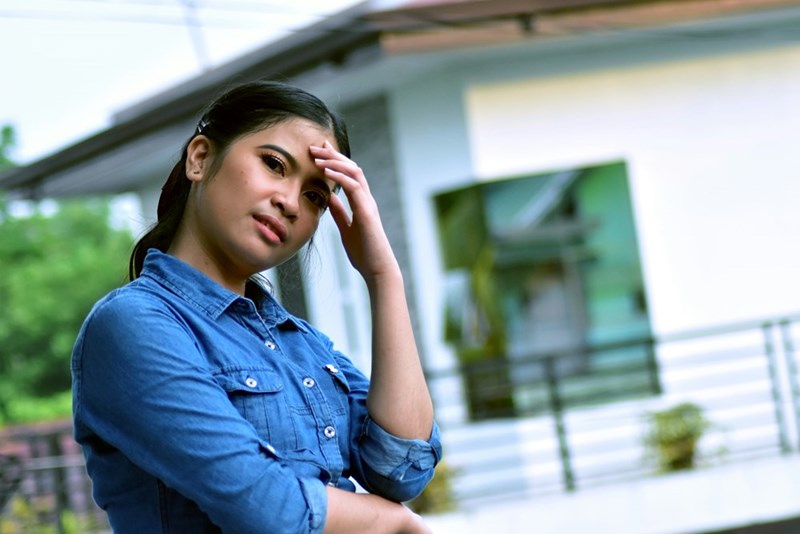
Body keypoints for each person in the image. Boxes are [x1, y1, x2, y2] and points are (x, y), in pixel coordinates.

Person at [71, 80, 442, 533]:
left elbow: (401, 468)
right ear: (201, 157)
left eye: (314, 196)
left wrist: (384, 278)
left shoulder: (302, 345)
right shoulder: (133, 326)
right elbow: (268, 510)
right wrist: (394, 523)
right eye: (273, 164)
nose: (289, 202)